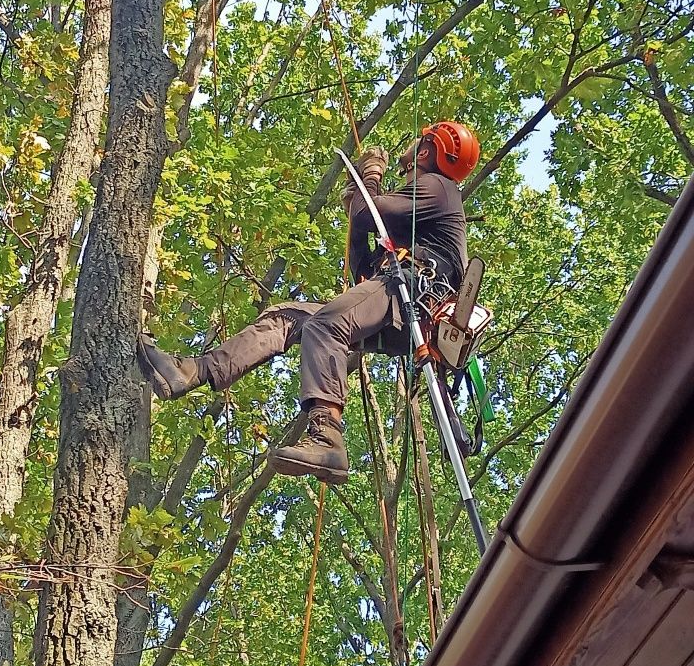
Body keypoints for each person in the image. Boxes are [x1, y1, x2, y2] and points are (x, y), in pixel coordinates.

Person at [138, 121, 480, 485]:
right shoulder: (418, 210)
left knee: (326, 324)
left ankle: (328, 436)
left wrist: (372, 178)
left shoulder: (438, 187)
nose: (410, 147)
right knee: (287, 318)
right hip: (395, 299)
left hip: (413, 294)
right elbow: (361, 260)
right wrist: (359, 196)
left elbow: (368, 214)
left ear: (427, 150)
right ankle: (192, 371)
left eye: (419, 141)